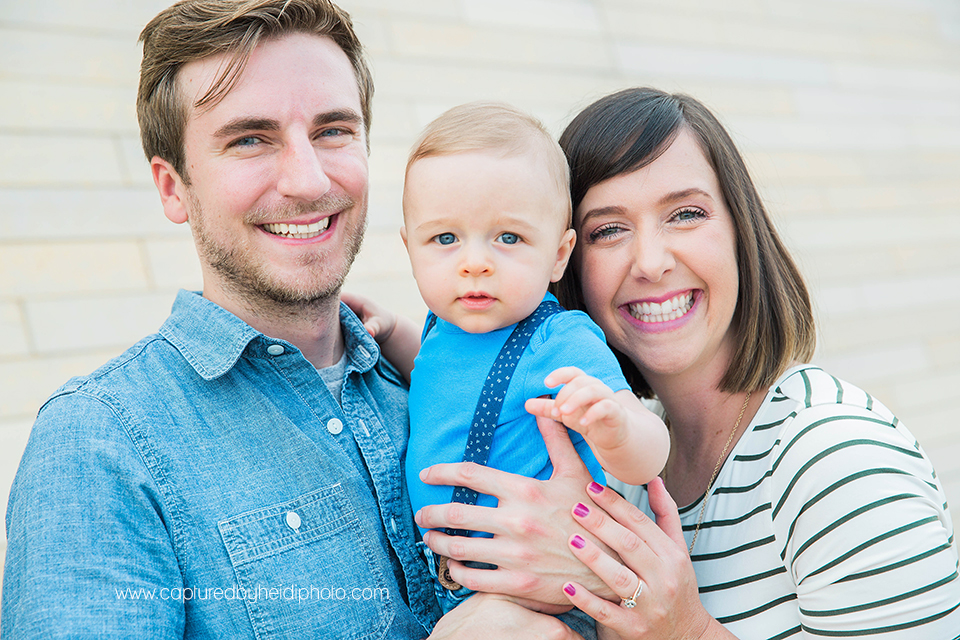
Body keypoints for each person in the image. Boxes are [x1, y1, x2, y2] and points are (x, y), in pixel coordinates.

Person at [0, 1, 593, 638]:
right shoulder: (99, 444)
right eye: (250, 139)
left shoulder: (447, 376)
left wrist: (615, 582)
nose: (308, 180)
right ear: (173, 187)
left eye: (334, 130)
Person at [546, 87, 960, 638]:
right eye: (609, 230)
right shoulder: (616, 473)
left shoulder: (832, 456)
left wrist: (687, 632)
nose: (650, 262)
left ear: (742, 232)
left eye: (685, 214)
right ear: (569, 263)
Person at [352, 102, 670, 611]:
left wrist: (617, 430)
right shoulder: (443, 326)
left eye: (508, 238)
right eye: (446, 238)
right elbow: (445, 379)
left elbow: (651, 449)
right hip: (448, 587)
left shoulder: (558, 340)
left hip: (534, 594)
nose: (475, 263)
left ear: (559, 255)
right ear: (410, 248)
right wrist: (392, 332)